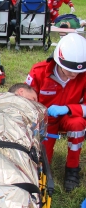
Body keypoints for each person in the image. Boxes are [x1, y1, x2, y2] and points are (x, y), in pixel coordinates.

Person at [26, 33, 86, 191]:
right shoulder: (39, 72)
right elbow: (25, 102)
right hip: (46, 121)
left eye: (78, 72)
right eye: (69, 71)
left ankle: (72, 169)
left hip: (71, 116)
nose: (74, 75)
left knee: (79, 124)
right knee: (44, 162)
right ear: (58, 61)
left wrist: (69, 108)